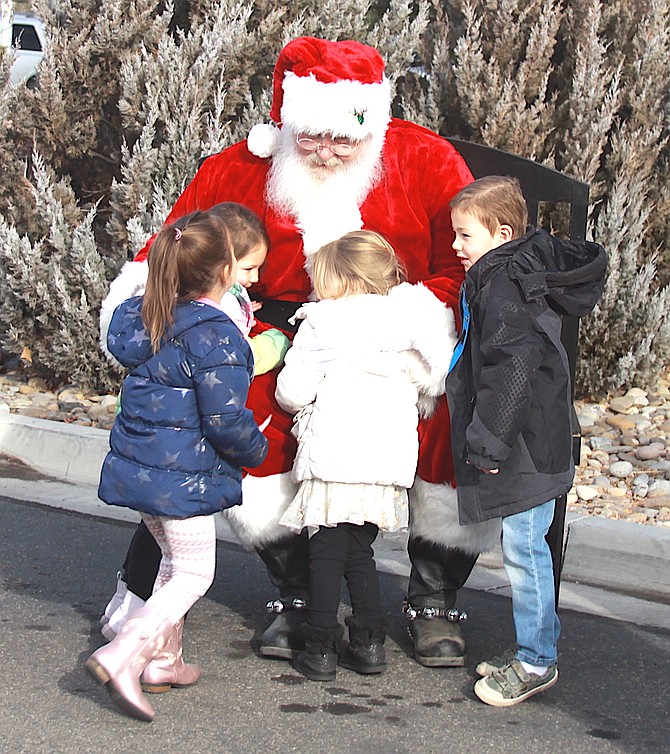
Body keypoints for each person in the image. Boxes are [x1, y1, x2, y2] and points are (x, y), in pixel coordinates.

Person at [100, 36, 500, 669]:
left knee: (458, 414)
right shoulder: (240, 167)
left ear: (370, 123)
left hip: (408, 325)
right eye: (312, 136)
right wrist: (150, 309)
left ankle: (434, 596)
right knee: (249, 408)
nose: (327, 152)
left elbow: (473, 262)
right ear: (288, 119)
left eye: (344, 139)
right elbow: (176, 244)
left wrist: (411, 325)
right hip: (281, 326)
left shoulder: (423, 158)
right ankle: (294, 592)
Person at [87, 209, 269, 722]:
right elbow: (225, 419)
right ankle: (125, 652)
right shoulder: (218, 336)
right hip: (183, 478)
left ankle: (165, 660)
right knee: (193, 572)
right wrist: (256, 452)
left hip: (143, 469)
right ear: (227, 265)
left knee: (171, 560)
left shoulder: (147, 317)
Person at [446, 176, 606, 706]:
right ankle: (535, 648)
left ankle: (537, 660)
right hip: (532, 434)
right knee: (524, 544)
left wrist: (488, 443)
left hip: (526, 442)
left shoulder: (504, 287)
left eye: (465, 235)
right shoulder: (509, 272)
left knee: (524, 549)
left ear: (501, 232)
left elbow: (512, 367)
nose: (455, 246)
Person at [275, 231, 456, 681]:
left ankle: (320, 645)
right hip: (384, 463)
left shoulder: (322, 323)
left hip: (335, 456)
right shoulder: (406, 324)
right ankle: (369, 644)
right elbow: (426, 383)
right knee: (360, 551)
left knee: (324, 551)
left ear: (342, 280)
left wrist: (287, 396)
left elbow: (294, 391)